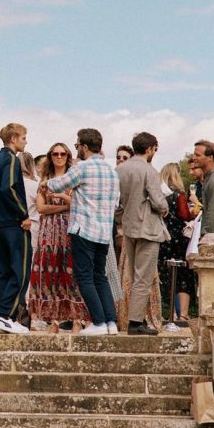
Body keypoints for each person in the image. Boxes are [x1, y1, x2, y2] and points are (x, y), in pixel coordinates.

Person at [45, 128, 121, 335]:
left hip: (84, 230)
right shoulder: (112, 172)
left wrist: (45, 182)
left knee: (84, 277)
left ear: (85, 147)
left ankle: (97, 322)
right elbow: (116, 203)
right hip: (104, 232)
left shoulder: (83, 168)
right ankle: (111, 322)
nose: (77, 149)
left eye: (78, 145)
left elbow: (58, 184)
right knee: (100, 277)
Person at [28, 143, 91, 332]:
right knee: (51, 274)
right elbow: (40, 208)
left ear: (68, 156)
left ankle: (77, 320)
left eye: (63, 153)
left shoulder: (74, 178)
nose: (59, 156)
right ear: (50, 156)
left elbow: (77, 203)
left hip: (70, 230)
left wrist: (60, 199)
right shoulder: (44, 180)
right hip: (48, 231)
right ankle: (54, 321)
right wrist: (65, 205)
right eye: (55, 153)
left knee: (71, 274)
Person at [114, 132, 168, 336]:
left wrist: (122, 217)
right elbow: (158, 200)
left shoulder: (120, 170)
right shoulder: (149, 170)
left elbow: (116, 202)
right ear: (150, 149)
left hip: (128, 226)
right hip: (148, 227)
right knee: (143, 277)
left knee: (132, 274)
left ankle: (134, 318)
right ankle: (136, 321)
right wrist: (164, 208)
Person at [0, 124, 33, 335]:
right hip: (13, 224)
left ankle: (5, 318)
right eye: (23, 137)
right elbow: (9, 188)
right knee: (20, 272)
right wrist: (23, 214)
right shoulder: (11, 159)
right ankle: (3, 314)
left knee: (4, 272)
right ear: (13, 138)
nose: (25, 141)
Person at [159, 162, 194, 328]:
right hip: (179, 237)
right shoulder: (179, 193)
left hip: (163, 237)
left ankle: (171, 312)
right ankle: (184, 314)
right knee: (183, 275)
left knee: (166, 274)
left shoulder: (159, 194)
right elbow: (184, 214)